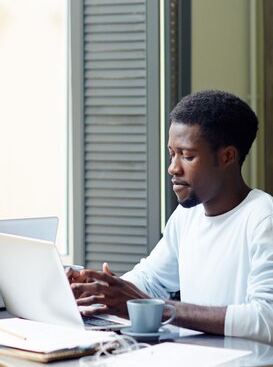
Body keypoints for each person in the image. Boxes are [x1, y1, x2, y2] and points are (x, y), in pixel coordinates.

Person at [69, 89, 273, 344]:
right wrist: (99, 289)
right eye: (171, 154)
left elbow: (267, 319)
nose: (173, 167)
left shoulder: (264, 219)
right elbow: (150, 280)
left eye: (187, 156)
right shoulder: (186, 217)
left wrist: (158, 308)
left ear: (227, 156)